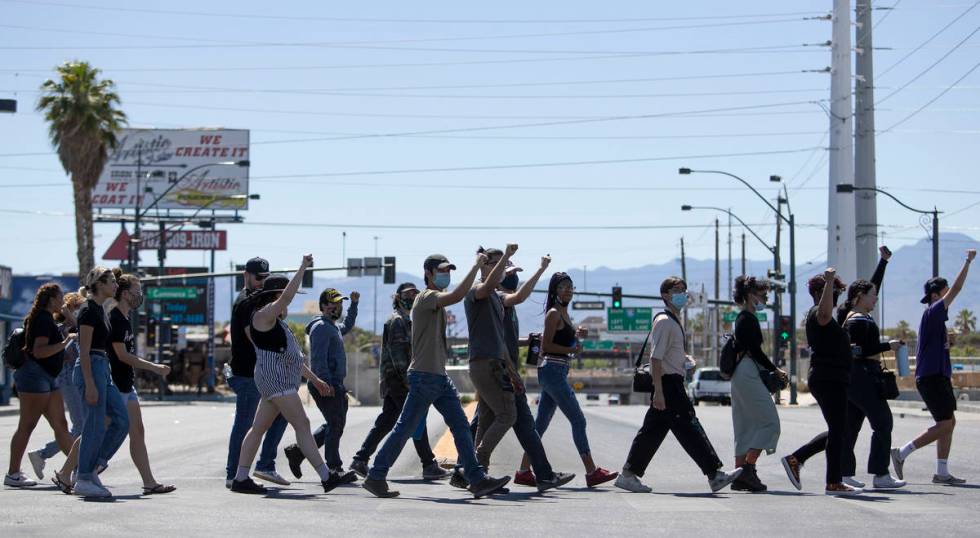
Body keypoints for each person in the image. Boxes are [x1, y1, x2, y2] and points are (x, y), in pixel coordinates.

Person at [362, 252, 511, 499]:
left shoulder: (435, 300)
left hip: (437, 378)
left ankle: (475, 478)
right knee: (403, 428)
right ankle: (376, 475)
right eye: (441, 271)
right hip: (424, 377)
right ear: (428, 274)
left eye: (449, 271)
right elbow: (456, 295)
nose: (446, 275)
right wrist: (475, 266)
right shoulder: (426, 297)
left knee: (461, 426)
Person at [454, 252, 575, 493]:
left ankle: (476, 475)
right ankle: (472, 470)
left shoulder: (498, 299)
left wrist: (539, 270)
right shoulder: (482, 292)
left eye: (512, 272)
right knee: (510, 418)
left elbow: (514, 305)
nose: (510, 276)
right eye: (506, 271)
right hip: (490, 366)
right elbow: (512, 296)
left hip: (500, 366)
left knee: (493, 421)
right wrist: (512, 257)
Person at [615, 277, 742, 493]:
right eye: (676, 290)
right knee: (689, 426)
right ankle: (714, 474)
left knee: (652, 432)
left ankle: (628, 475)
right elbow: (655, 359)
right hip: (668, 384)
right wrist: (659, 392)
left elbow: (667, 355)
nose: (682, 293)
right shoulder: (665, 321)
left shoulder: (674, 320)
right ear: (665, 295)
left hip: (671, 381)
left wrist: (684, 359)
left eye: (683, 289)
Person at [231, 255, 341, 495]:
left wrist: (315, 380)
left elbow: (293, 359)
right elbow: (287, 296)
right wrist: (303, 267)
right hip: (276, 379)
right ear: (274, 297)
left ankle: (240, 477)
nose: (287, 304)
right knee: (302, 423)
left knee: (258, 428)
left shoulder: (276, 320)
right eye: (281, 297)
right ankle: (326, 475)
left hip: (275, 379)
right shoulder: (264, 316)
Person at [517, 272, 618, 488]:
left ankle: (524, 471)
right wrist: (572, 347)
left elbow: (563, 343)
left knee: (540, 425)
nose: (568, 291)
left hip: (557, 371)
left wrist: (576, 336)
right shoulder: (553, 314)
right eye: (563, 287)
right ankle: (592, 472)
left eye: (570, 287)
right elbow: (546, 347)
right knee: (578, 420)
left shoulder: (564, 314)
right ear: (554, 290)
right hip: (552, 371)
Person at [891, 249, 976, 485]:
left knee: (949, 422)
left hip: (936, 376)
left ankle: (941, 472)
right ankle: (902, 452)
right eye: (945, 292)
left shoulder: (935, 318)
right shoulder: (934, 310)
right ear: (936, 295)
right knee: (946, 423)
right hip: (931, 377)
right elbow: (958, 289)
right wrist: (967, 261)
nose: (949, 295)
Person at [349, 282, 448, 480]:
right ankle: (428, 464)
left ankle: (360, 459)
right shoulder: (397, 321)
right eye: (408, 293)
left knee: (387, 421)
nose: (412, 297)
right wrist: (409, 382)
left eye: (415, 293)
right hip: (398, 381)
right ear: (398, 297)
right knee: (416, 419)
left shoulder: (406, 320)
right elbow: (398, 357)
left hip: (395, 380)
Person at [781, 268, 863, 496]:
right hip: (828, 379)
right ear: (820, 292)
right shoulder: (818, 311)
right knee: (839, 429)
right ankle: (832, 481)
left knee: (840, 429)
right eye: (832, 290)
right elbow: (825, 315)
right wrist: (828, 282)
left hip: (834, 378)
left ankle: (797, 459)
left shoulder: (831, 318)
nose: (836, 294)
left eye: (837, 290)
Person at [837, 247, 905, 490]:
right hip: (861, 376)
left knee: (851, 427)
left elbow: (870, 285)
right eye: (872, 295)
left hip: (857, 378)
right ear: (859, 297)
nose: (876, 297)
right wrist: (889, 345)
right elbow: (859, 351)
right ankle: (880, 475)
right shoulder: (856, 319)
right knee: (883, 422)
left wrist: (883, 262)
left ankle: (844, 474)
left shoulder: (855, 313)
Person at [106, 272, 176, 495]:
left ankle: (149, 482)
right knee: (96, 430)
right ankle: (72, 472)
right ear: (125, 294)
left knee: (137, 431)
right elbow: (122, 355)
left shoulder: (124, 318)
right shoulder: (116, 317)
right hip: (115, 385)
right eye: (137, 291)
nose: (140, 296)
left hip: (127, 385)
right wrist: (155, 368)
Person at [283, 288, 360, 483]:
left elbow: (347, 325)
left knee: (335, 425)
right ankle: (334, 468)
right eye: (335, 303)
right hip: (326, 384)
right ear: (324, 306)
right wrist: (324, 382)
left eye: (340, 303)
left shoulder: (332, 326)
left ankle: (298, 453)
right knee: (335, 425)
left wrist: (354, 305)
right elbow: (317, 360)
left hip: (336, 384)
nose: (338, 306)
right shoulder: (321, 328)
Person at [225, 257, 290, 489]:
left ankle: (264, 465)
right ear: (246, 275)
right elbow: (256, 340)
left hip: (261, 373)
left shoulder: (258, 301)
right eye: (258, 277)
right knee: (244, 424)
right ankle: (234, 475)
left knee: (283, 413)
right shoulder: (245, 302)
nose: (262, 282)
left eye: (265, 278)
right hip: (247, 374)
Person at [4, 284, 75, 488]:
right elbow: (39, 351)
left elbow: (72, 326)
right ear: (51, 299)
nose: (63, 300)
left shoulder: (46, 318)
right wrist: (64, 344)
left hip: (47, 377)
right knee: (27, 426)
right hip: (34, 376)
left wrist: (67, 314)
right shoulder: (43, 320)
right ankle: (13, 474)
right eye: (60, 297)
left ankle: (79, 470)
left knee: (61, 426)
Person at [71, 267, 130, 498]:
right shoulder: (87, 310)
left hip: (102, 368)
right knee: (93, 426)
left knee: (121, 420)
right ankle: (83, 477)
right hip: (91, 367)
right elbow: (83, 351)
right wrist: (90, 383)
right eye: (112, 282)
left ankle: (91, 468)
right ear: (100, 283)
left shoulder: (100, 309)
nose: (116, 285)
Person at [729, 276, 786, 493]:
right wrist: (775, 368)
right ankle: (748, 469)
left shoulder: (744, 317)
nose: (765, 299)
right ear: (750, 295)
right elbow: (755, 350)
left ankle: (738, 475)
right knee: (770, 423)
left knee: (745, 425)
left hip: (742, 372)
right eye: (762, 295)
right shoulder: (747, 318)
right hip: (747, 372)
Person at [26, 292, 85, 482]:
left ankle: (49, 457)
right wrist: (72, 325)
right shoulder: (64, 328)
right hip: (67, 379)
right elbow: (65, 353)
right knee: (80, 426)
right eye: (80, 308)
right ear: (72, 309)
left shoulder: (73, 327)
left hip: (74, 379)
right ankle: (48, 457)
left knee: (80, 426)